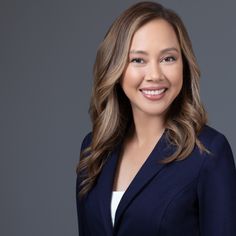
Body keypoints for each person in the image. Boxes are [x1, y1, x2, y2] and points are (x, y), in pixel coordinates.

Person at [76, 2, 236, 235]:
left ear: (184, 65)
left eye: (168, 58)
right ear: (116, 68)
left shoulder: (209, 153)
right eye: (138, 60)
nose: (154, 75)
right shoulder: (93, 149)